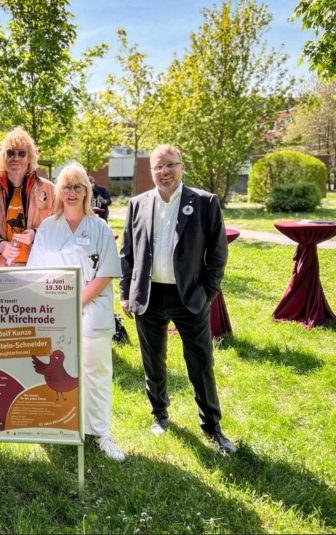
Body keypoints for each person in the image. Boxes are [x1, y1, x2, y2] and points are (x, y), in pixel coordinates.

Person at [119, 144, 237, 454]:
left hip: (188, 297)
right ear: (151, 171)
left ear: (181, 167)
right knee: (153, 362)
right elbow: (127, 253)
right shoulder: (137, 204)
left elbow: (218, 253)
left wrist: (206, 292)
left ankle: (212, 427)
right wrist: (125, 294)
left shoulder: (204, 202)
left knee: (200, 363)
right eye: (158, 167)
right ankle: (159, 415)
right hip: (148, 295)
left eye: (170, 165)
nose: (164, 172)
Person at [28, 163, 125, 461]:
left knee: (96, 374)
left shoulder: (99, 227)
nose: (71, 192)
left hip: (91, 312)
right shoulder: (47, 228)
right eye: (66, 186)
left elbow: (106, 273)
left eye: (77, 187)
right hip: (55, 315)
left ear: (87, 192)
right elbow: (35, 272)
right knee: (57, 377)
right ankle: (61, 426)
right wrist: (58, 306)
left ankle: (101, 433)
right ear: (59, 191)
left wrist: (75, 303)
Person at [0, 127, 55, 267]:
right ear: (3, 158)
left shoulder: (50, 190)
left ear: (30, 158)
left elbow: (60, 229)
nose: (15, 158)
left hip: (38, 268)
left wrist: (36, 234)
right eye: (10, 153)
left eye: (21, 153)